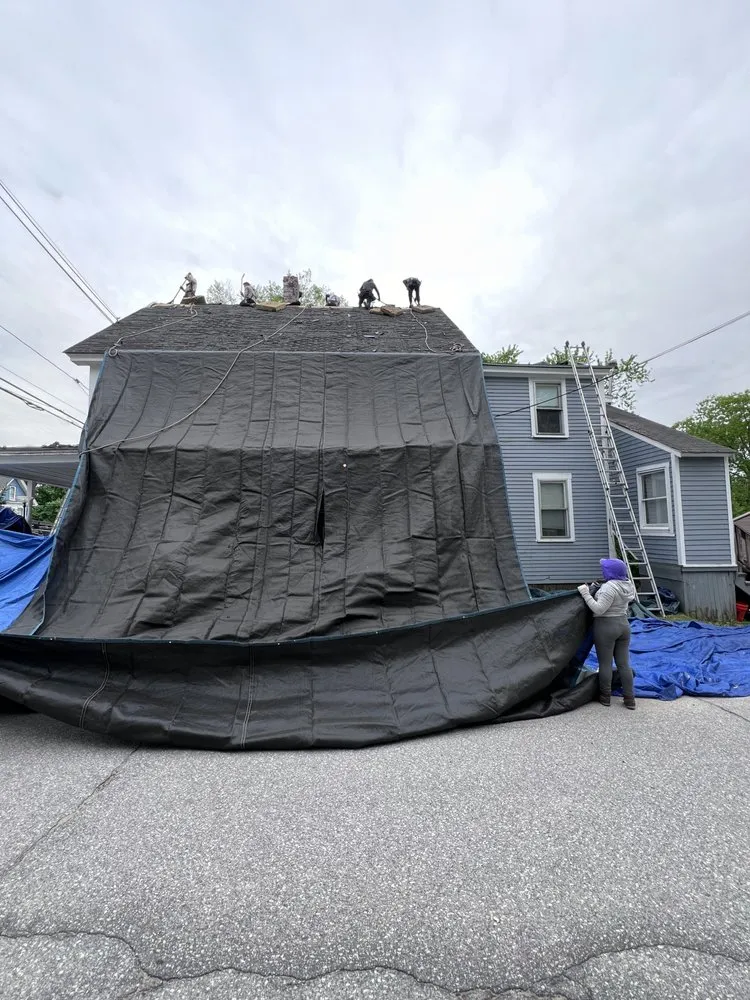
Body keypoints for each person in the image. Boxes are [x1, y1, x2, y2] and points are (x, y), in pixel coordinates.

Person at [578, 558, 637, 710]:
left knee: (605, 664)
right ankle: (630, 699)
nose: (603, 571)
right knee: (624, 664)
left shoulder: (609, 587)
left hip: (606, 626)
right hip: (624, 625)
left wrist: (585, 593)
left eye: (604, 569)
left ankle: (605, 697)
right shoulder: (628, 585)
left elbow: (599, 609)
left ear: (610, 572)